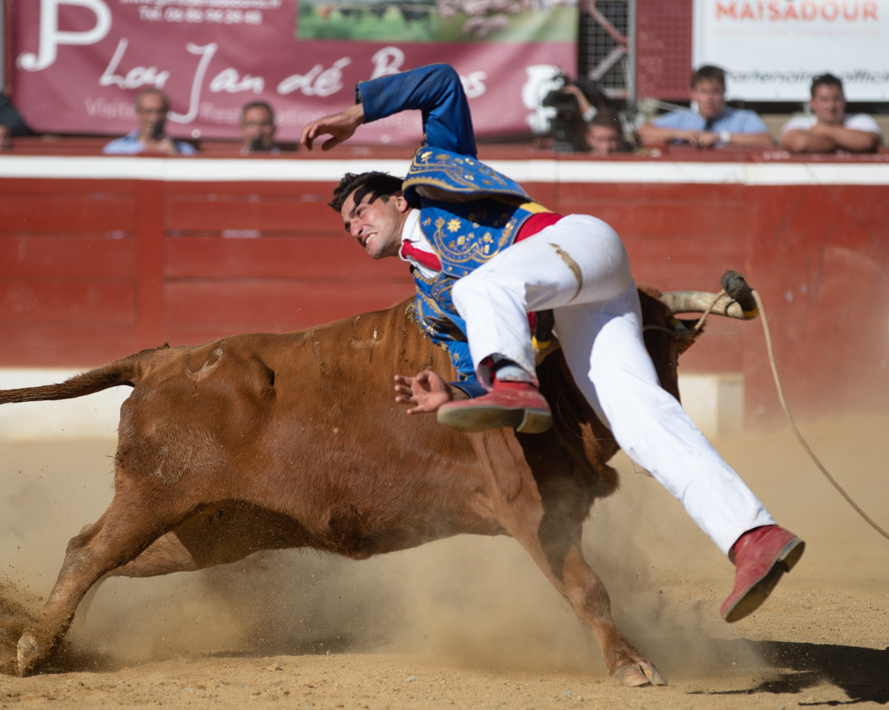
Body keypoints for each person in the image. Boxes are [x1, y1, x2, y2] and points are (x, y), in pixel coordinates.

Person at [299, 62, 804, 624]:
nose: (356, 227)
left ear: (398, 200)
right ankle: (752, 536)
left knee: (480, 286)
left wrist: (357, 114)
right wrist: (454, 392)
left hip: (578, 245)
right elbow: (470, 361)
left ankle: (516, 385)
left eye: (361, 209)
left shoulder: (436, 174)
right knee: (642, 423)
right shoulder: (432, 308)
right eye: (347, 227)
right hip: (574, 312)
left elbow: (441, 83)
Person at [637, 65, 773, 150]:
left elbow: (766, 141)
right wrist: (680, 134)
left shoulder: (742, 118)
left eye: (715, 92)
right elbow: (643, 131)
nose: (709, 98)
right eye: (703, 92)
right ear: (693, 94)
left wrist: (721, 137)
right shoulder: (683, 119)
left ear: (724, 92)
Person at [780, 73, 883, 155]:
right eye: (824, 100)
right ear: (812, 103)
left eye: (836, 99)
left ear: (844, 100)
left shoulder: (862, 120)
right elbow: (800, 144)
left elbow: (867, 142)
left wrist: (820, 129)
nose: (831, 105)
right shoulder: (799, 122)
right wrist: (846, 142)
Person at [104, 88, 196, 156]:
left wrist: (174, 157)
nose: (154, 118)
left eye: (160, 111)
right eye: (148, 112)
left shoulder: (185, 151)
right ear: (137, 114)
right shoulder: (115, 150)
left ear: (166, 114)